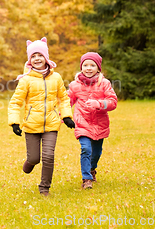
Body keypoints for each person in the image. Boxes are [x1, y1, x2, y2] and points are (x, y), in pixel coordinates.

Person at [8, 37, 75, 196]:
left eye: (40, 55)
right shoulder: (26, 80)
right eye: (33, 56)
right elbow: (16, 102)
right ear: (30, 60)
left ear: (46, 57)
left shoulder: (56, 77)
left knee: (48, 156)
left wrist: (66, 116)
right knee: (34, 158)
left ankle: (44, 188)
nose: (37, 58)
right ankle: (29, 163)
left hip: (51, 124)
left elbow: (64, 98)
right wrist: (15, 122)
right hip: (31, 125)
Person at [67, 52, 117, 190]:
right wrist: (63, 116)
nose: (88, 68)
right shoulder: (74, 85)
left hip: (100, 123)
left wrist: (99, 104)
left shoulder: (104, 84)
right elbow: (66, 102)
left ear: (98, 68)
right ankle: (86, 179)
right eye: (85, 65)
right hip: (82, 122)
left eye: (92, 65)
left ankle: (92, 169)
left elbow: (113, 102)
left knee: (96, 153)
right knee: (85, 149)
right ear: (81, 67)